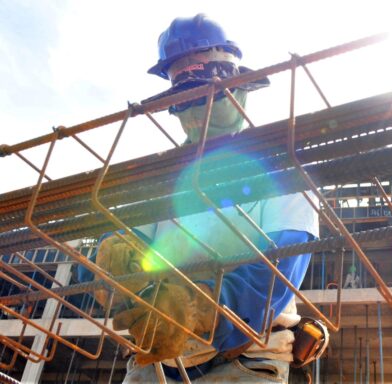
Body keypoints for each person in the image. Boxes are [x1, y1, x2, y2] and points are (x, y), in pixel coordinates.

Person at [79, 14, 320, 383]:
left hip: (247, 359)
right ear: (173, 103)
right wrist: (106, 264)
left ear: (239, 86)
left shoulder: (281, 165)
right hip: (159, 363)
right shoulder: (163, 179)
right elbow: (128, 255)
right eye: (184, 97)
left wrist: (197, 313)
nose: (196, 108)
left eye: (206, 88)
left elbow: (279, 271)